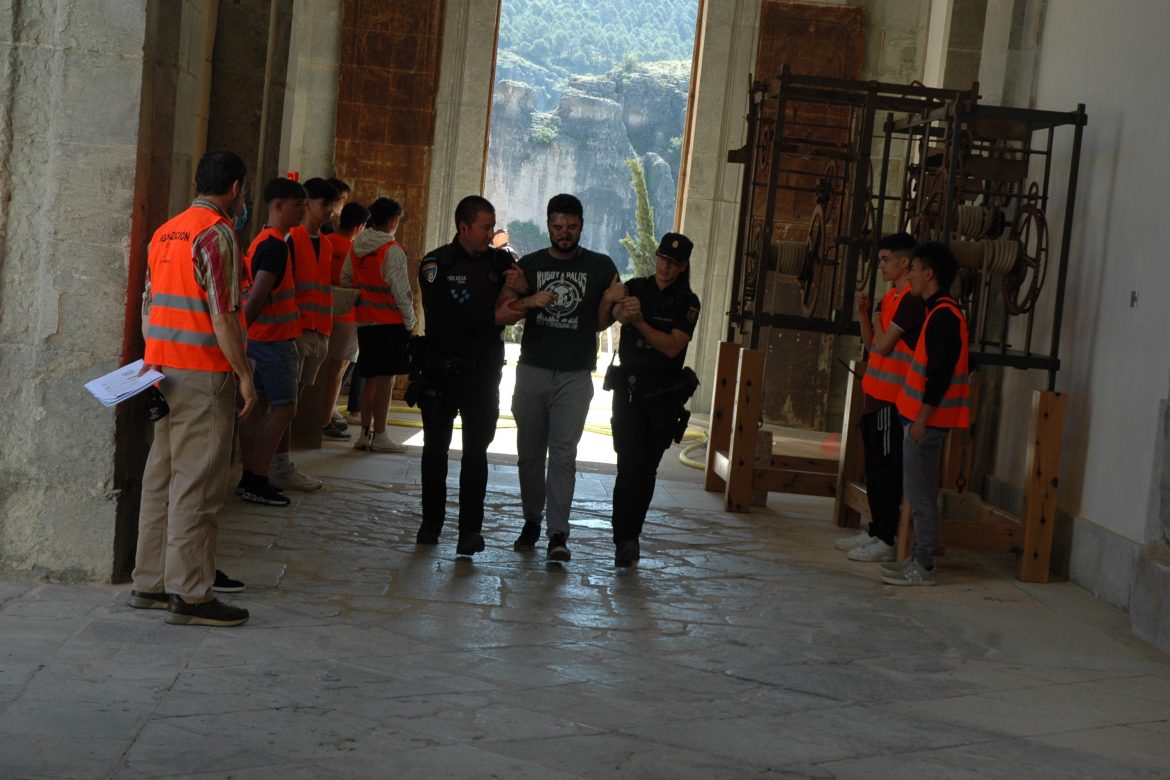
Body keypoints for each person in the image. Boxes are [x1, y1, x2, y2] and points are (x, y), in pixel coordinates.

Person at [128, 150, 255, 627]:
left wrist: (155, 361)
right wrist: (243, 375)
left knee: (160, 479)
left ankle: (150, 582)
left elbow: (149, 307)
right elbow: (223, 315)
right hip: (202, 374)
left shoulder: (166, 232)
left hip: (162, 371)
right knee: (198, 485)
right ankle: (191, 594)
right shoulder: (216, 235)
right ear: (236, 188)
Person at [412, 195, 546, 556]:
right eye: (485, 227)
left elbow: (525, 294)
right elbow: (443, 317)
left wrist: (521, 286)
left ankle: (470, 531)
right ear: (464, 227)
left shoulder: (500, 262)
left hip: (482, 374)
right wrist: (491, 317)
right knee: (435, 451)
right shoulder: (436, 263)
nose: (491, 233)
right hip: (441, 371)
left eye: (492, 226)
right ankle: (431, 524)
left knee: (476, 453)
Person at [509, 194, 619, 561]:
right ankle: (531, 520)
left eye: (571, 227)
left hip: (575, 375)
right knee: (528, 454)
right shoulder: (531, 264)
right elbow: (506, 310)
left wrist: (608, 302)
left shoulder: (602, 266)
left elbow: (603, 321)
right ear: (548, 226)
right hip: (532, 370)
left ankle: (558, 533)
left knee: (563, 455)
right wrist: (529, 301)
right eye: (558, 227)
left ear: (582, 226)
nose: (564, 233)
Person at [603, 233, 701, 567]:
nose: (664, 266)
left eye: (672, 263)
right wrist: (618, 309)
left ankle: (632, 534)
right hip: (630, 391)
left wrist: (639, 321)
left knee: (647, 469)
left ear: (683, 266)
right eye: (662, 258)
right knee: (628, 465)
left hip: (663, 396)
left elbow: (673, 346)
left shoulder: (688, 302)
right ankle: (624, 540)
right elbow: (612, 312)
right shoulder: (638, 287)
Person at [881, 241, 971, 586]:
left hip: (927, 422)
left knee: (920, 495)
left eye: (915, 269)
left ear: (929, 274)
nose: (911, 275)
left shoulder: (945, 315)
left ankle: (924, 565)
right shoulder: (938, 312)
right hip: (921, 418)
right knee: (916, 492)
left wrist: (921, 419)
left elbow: (940, 373)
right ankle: (917, 558)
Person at [834, 233, 924, 562]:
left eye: (886, 260)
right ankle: (875, 529)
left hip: (892, 398)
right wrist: (864, 313)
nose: (881, 265)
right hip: (874, 392)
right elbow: (873, 345)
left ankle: (887, 537)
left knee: (887, 470)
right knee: (873, 467)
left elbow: (886, 345)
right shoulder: (889, 299)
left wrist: (875, 320)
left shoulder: (911, 300)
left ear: (904, 262)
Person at [237, 177, 307, 507]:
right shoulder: (276, 245)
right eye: (298, 205)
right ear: (278, 205)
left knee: (259, 406)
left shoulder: (261, 240)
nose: (302, 212)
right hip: (274, 341)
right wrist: (239, 333)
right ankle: (256, 478)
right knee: (285, 408)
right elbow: (259, 295)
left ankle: (250, 475)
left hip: (259, 339)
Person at [271, 177, 340, 491]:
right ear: (307, 203)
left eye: (332, 205)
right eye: (323, 204)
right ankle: (277, 464)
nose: (329, 211)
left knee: (293, 401)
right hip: (293, 331)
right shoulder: (290, 240)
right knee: (284, 403)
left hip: (318, 331)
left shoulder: (325, 243)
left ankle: (281, 463)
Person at [341, 197, 415, 453]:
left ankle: (363, 434)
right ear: (393, 220)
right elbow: (401, 291)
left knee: (369, 379)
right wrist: (410, 322)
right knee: (386, 381)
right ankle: (381, 434)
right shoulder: (391, 250)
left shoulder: (357, 246)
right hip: (390, 323)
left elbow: (345, 277)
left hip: (365, 322)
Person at [320, 202, 369, 441]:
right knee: (336, 372)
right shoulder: (354, 251)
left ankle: (317, 415)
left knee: (318, 370)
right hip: (346, 316)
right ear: (360, 226)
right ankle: (325, 420)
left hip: (319, 312)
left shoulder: (323, 241)